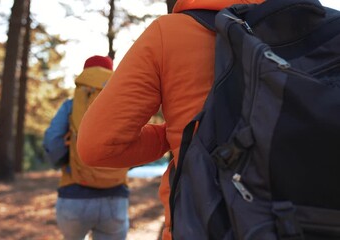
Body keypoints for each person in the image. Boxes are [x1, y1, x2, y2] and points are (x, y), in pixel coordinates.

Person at [75, 1, 265, 240]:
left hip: (207, 224)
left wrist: (171, 136)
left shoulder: (171, 33)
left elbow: (97, 146)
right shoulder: (322, 30)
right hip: (312, 220)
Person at [43, 55, 129, 240]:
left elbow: (53, 140)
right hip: (115, 197)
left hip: (74, 195)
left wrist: (63, 162)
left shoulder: (71, 105)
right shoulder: (122, 105)